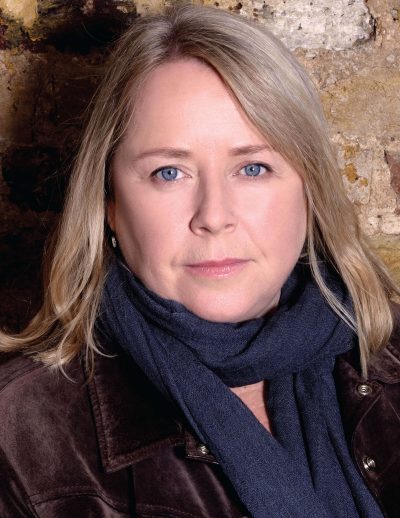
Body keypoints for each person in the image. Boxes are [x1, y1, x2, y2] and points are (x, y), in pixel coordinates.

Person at [0, 4, 399, 517]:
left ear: (311, 191)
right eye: (169, 172)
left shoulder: (389, 359)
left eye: (253, 168)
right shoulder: (19, 440)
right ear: (110, 204)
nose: (213, 216)